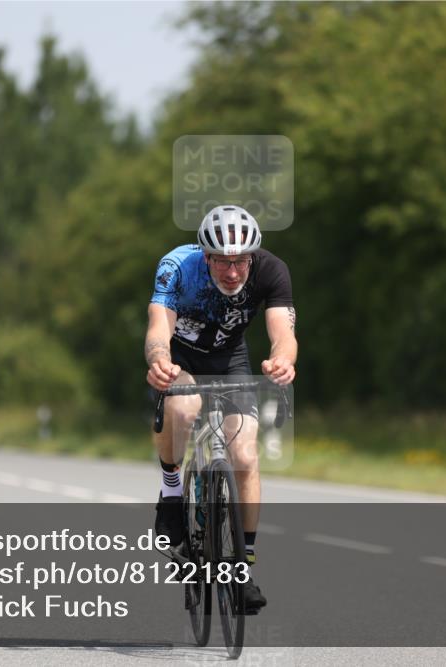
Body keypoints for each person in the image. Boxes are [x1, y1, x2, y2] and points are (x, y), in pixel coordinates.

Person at [145, 204, 297, 613]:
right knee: (181, 410)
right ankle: (172, 495)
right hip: (182, 361)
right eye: (222, 262)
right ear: (206, 256)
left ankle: (242, 565)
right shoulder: (177, 267)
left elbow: (283, 332)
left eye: (240, 262)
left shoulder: (270, 270)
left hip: (230, 361)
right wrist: (159, 360)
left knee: (245, 456)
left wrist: (282, 360)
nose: (233, 272)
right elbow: (159, 326)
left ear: (252, 257)